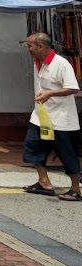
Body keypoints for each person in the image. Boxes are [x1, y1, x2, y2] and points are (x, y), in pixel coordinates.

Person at [21, 32, 81, 201]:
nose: (28, 49)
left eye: (30, 45)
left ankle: (76, 189)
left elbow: (73, 88)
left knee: (67, 154)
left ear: (41, 46)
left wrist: (50, 93)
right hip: (40, 117)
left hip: (61, 119)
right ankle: (44, 182)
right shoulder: (37, 62)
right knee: (33, 148)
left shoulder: (61, 64)